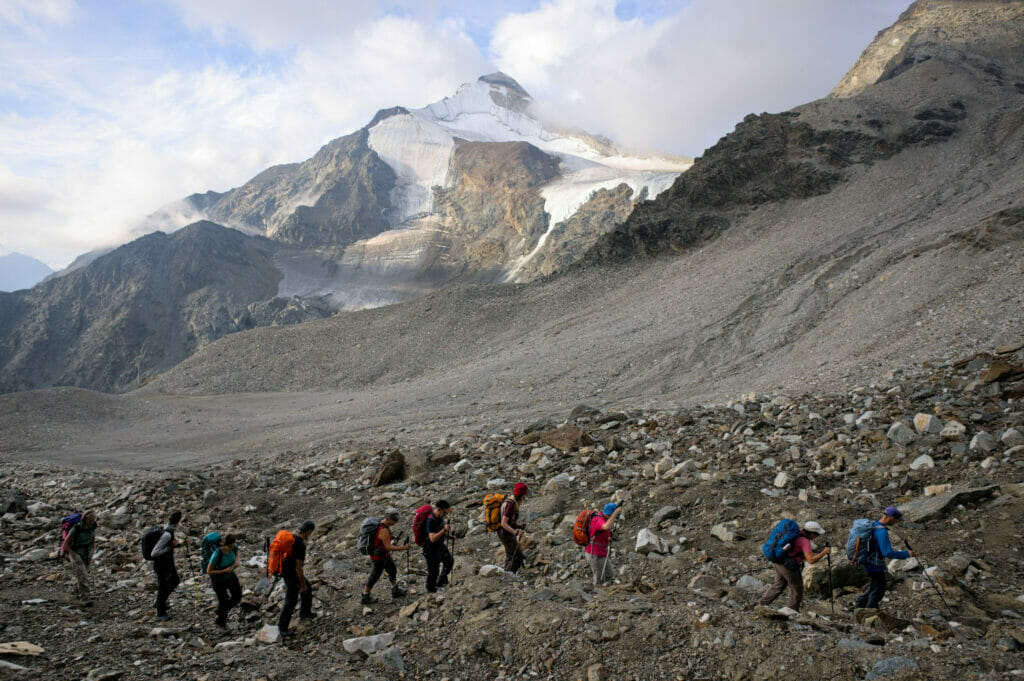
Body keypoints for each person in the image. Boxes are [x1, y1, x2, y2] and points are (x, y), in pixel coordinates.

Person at [756, 521, 831, 612]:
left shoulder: (796, 533)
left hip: (778, 559)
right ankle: (793, 610)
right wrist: (823, 553)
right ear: (811, 533)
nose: (816, 537)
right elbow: (811, 560)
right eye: (816, 535)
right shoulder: (805, 542)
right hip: (788, 566)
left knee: (778, 585)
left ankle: (759, 604)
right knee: (797, 588)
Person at [855, 507, 914, 610]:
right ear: (891, 517)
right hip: (875, 564)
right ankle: (871, 611)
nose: (896, 522)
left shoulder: (874, 524)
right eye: (896, 520)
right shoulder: (882, 531)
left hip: (867, 561)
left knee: (874, 585)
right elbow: (887, 552)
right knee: (878, 589)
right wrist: (907, 554)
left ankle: (861, 603)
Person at [361, 508, 410, 605]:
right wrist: (404, 547)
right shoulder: (383, 530)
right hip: (378, 557)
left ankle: (395, 591)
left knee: (392, 569)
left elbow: (382, 540)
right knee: (374, 576)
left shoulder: (382, 525)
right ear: (388, 518)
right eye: (395, 520)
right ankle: (365, 597)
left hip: (383, 555)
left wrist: (393, 537)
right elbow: (389, 547)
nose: (396, 522)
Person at [278, 520, 315, 637]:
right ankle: (282, 627)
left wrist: (304, 584)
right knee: (291, 600)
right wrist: (302, 585)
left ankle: (305, 613)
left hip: (286, 571)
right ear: (309, 531)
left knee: (308, 587)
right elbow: (299, 568)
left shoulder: (292, 537)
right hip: (291, 574)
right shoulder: (300, 544)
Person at [206, 533, 242, 631]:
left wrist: (236, 562)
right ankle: (221, 622)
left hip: (230, 576)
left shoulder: (233, 547)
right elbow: (209, 571)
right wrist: (224, 571)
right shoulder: (217, 554)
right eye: (230, 546)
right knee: (223, 601)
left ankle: (222, 610)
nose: (232, 548)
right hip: (218, 580)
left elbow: (237, 553)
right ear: (224, 545)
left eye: (233, 546)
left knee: (237, 595)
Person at [61, 510, 97, 604]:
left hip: (87, 552)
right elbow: (65, 543)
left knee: (83, 573)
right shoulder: (76, 528)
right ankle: (85, 598)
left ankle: (77, 591)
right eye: (91, 520)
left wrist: (93, 549)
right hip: (76, 553)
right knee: (83, 576)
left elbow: (93, 536)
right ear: (85, 519)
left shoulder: (92, 525)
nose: (92, 521)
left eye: (94, 520)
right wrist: (72, 554)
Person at [151, 511, 182, 621]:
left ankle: (160, 602)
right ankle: (160, 612)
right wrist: (169, 548)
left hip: (168, 563)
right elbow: (154, 553)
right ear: (177, 522)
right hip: (161, 565)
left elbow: (169, 545)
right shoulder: (167, 534)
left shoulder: (167, 529)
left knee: (175, 580)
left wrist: (180, 545)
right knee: (163, 586)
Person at [584, 502, 622, 586]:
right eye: (612, 516)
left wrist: (608, 538)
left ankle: (604, 591)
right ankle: (597, 596)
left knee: (609, 574)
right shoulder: (598, 519)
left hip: (601, 551)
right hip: (594, 553)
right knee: (599, 579)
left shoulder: (604, 519)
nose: (614, 519)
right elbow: (606, 526)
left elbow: (603, 531)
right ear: (608, 514)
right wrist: (616, 513)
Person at [423, 500, 454, 592]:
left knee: (449, 561)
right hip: (430, 548)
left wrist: (448, 536)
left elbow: (438, 531)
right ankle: (431, 589)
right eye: (445, 512)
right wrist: (444, 531)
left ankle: (442, 581)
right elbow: (432, 538)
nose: (445, 515)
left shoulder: (439, 518)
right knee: (433, 571)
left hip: (439, 545)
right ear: (440, 510)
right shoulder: (430, 520)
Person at [499, 483, 528, 573]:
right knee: (516, 556)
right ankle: (509, 575)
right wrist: (516, 533)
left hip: (505, 533)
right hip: (505, 534)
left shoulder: (511, 501)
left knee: (510, 554)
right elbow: (504, 523)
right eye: (524, 495)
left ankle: (506, 573)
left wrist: (518, 526)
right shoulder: (510, 505)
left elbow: (509, 522)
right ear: (521, 495)